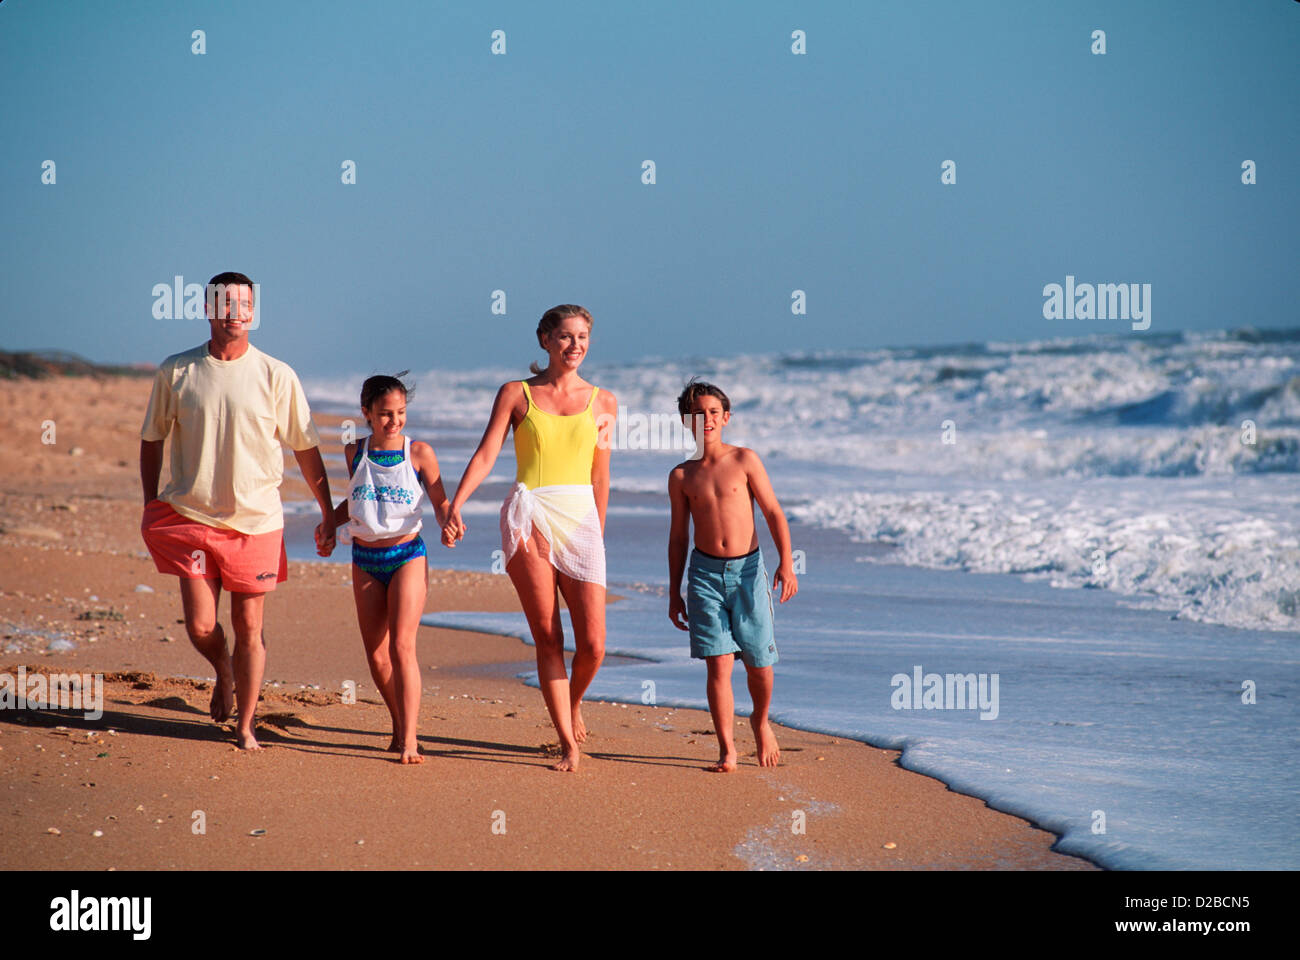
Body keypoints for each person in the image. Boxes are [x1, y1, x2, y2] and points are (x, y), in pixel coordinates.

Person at [139, 271, 336, 750]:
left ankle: (246, 725)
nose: (235, 312)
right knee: (202, 626)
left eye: (244, 304)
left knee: (251, 627)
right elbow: (152, 439)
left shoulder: (276, 374)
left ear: (254, 311)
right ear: (208, 309)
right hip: (192, 517)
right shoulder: (176, 371)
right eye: (226, 303)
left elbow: (306, 449)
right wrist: (150, 500)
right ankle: (222, 669)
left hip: (256, 523)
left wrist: (328, 511)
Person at [442, 305, 616, 772]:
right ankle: (567, 743)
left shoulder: (604, 402)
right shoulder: (516, 394)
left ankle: (570, 702)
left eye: (582, 337)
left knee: (595, 645)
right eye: (564, 336)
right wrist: (455, 504)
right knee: (548, 636)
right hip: (530, 516)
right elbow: (486, 453)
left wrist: (596, 531)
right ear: (544, 340)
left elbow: (601, 475)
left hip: (581, 521)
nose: (574, 345)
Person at [317, 374, 450, 764]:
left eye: (401, 413)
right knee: (376, 657)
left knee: (401, 645)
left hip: (408, 554)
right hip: (364, 560)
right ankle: (398, 724)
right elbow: (357, 500)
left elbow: (440, 502)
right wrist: (330, 523)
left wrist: (450, 519)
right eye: (385, 414)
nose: (394, 421)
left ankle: (410, 740)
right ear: (367, 414)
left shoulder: (419, 453)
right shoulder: (353, 452)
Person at [667, 379, 798, 771]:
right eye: (696, 413)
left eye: (712, 412)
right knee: (718, 663)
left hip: (748, 571)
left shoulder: (745, 460)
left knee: (759, 662)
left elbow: (773, 512)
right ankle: (727, 750)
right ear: (685, 421)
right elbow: (678, 537)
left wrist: (786, 563)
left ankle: (760, 720)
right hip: (704, 575)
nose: (705, 419)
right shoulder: (681, 476)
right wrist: (674, 592)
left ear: (725, 417)